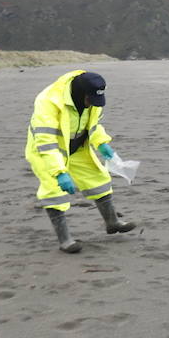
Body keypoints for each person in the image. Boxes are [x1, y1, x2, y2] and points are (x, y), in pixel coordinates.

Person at [24, 70, 137, 253]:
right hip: (47, 150)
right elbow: (46, 141)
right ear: (79, 92)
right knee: (54, 191)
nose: (93, 103)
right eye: (90, 99)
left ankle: (112, 222)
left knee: (98, 179)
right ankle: (65, 239)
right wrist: (60, 172)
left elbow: (93, 124)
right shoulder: (48, 102)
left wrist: (101, 144)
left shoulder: (93, 99)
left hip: (77, 146)